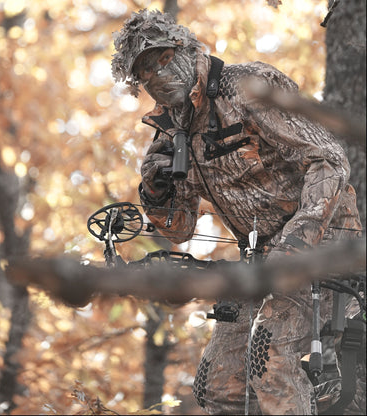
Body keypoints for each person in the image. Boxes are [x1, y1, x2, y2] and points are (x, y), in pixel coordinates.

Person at [111, 9, 363, 415]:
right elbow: (178, 229)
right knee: (217, 386)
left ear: (185, 48)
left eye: (161, 57)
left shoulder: (247, 86)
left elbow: (329, 160)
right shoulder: (171, 133)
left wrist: (296, 246)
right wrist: (155, 189)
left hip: (322, 246)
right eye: (144, 72)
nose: (157, 74)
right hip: (259, 264)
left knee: (269, 357)